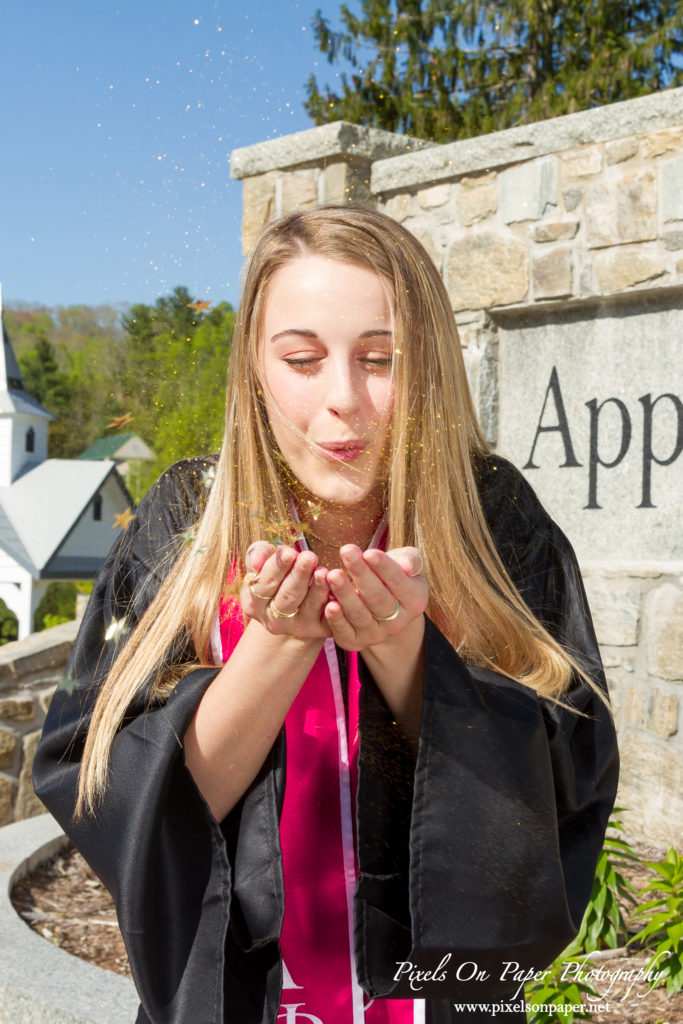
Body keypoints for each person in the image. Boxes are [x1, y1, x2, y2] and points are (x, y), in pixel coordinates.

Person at [33, 205, 619, 1024]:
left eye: (380, 358)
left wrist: (407, 658)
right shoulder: (186, 522)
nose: (343, 399)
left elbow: (566, 785)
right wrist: (274, 647)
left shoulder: (496, 521)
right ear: (253, 369)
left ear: (430, 368)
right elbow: (113, 794)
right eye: (301, 359)